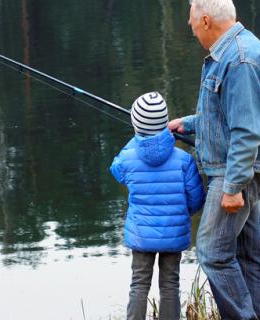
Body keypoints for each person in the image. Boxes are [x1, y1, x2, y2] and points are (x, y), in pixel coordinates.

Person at [167, 1, 260, 319]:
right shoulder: (234, 51)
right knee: (249, 251)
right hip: (240, 167)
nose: (190, 27)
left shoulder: (240, 60)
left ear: (206, 20)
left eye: (191, 20)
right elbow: (229, 111)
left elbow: (247, 131)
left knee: (213, 252)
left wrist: (233, 186)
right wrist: (190, 123)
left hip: (238, 171)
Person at [110, 91, 205, 320]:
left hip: (141, 235)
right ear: (165, 123)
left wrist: (136, 140)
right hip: (174, 232)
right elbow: (196, 199)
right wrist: (181, 213)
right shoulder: (184, 160)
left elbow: (116, 171)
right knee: (170, 284)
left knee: (139, 284)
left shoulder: (128, 157)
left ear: (136, 125)